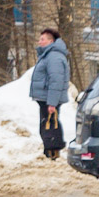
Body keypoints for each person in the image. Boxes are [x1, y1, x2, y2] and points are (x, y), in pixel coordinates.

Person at [29, 27, 70, 160]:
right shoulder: (48, 55)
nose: (39, 42)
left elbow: (56, 80)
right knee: (47, 123)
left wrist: (52, 102)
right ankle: (50, 150)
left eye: (43, 39)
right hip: (45, 98)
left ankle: (52, 152)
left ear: (51, 41)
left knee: (50, 124)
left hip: (49, 99)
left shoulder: (54, 57)